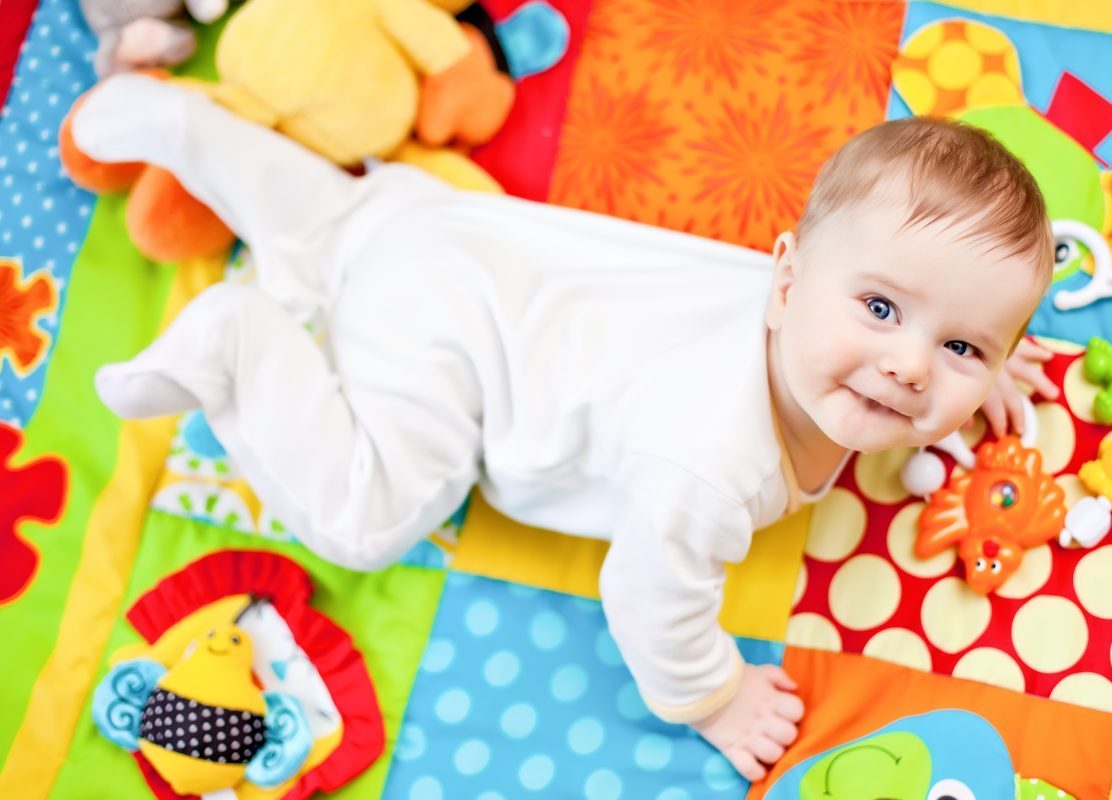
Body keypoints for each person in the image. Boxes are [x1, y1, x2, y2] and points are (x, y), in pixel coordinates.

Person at [71, 73, 1059, 781]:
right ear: (789, 274)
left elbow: (922, 311)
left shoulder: (807, 300)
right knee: (368, 520)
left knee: (345, 228)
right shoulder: (713, 464)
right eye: (883, 309)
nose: (910, 364)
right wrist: (712, 693)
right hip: (446, 348)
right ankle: (241, 347)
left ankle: (185, 125)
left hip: (446, 230)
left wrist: (981, 353)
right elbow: (648, 594)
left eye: (963, 346)